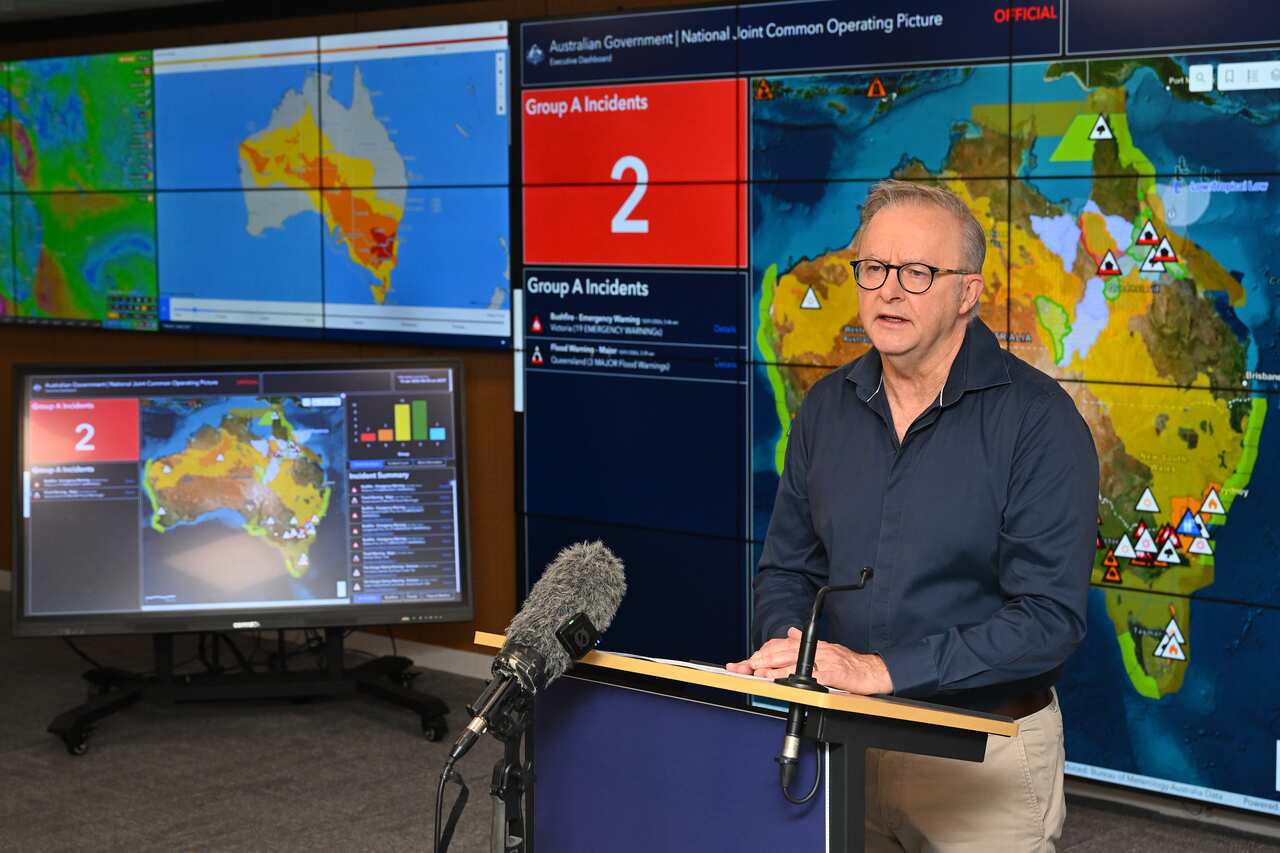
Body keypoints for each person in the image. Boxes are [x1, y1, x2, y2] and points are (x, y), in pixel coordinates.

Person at [728, 179, 1099, 852]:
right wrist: (798, 653)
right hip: (838, 742)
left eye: (917, 272)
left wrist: (882, 670)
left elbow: (1048, 618)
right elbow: (787, 567)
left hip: (979, 757)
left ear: (968, 293)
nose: (888, 291)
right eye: (873, 269)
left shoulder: (1039, 423)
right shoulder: (825, 409)